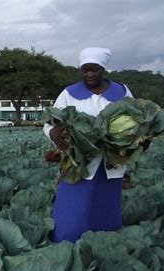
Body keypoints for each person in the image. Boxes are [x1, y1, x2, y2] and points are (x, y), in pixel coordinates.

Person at [43, 47, 134, 243]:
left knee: (106, 209)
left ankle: (102, 249)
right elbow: (49, 123)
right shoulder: (69, 93)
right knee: (71, 212)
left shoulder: (122, 91)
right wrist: (53, 133)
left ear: (103, 68)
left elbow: (138, 118)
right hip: (77, 163)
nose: (90, 74)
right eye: (85, 70)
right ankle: (66, 246)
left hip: (112, 161)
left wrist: (141, 140)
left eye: (95, 69)